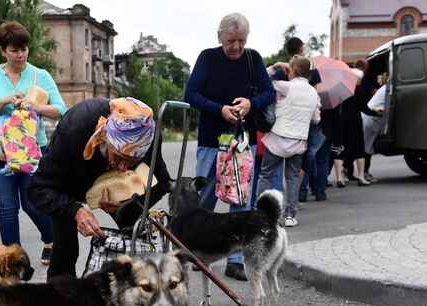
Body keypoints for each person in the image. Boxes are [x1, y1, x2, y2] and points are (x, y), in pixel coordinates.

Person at [27, 97, 171, 280]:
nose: (122, 167)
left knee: (137, 236)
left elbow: (161, 182)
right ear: (106, 137)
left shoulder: (147, 135)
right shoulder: (73, 129)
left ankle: (139, 288)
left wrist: (128, 204)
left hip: (121, 189)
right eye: (118, 156)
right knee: (66, 249)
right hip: (68, 181)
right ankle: (60, 298)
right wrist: (75, 211)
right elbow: (38, 188)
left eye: (131, 162)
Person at [184, 12, 276, 280]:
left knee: (241, 201)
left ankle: (236, 259)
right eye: (230, 41)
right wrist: (219, 109)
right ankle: (199, 252)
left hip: (242, 143)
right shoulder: (207, 57)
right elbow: (191, 94)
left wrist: (250, 103)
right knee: (204, 199)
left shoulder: (253, 58)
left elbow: (268, 92)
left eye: (241, 41)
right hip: (212, 142)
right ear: (219, 37)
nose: (236, 47)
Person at [0, 21, 66, 265]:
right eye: (14, 49)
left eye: (24, 48)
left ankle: (51, 239)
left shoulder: (40, 75)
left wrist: (35, 106)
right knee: (7, 207)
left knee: (32, 202)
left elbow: (61, 110)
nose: (20, 54)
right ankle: (12, 261)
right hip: (0, 151)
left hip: (33, 150)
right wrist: (5, 100)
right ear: (2, 50)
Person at [255, 58, 321, 227]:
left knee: (265, 175)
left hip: (278, 137)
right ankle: (290, 214)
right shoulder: (314, 93)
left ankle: (260, 213)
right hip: (298, 141)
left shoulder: (286, 86)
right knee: (292, 178)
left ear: (293, 71)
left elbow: (263, 81)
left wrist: (275, 67)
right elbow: (315, 119)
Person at [333, 68, 382, 187]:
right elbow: (363, 108)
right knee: (359, 149)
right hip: (355, 122)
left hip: (341, 122)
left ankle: (340, 178)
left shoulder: (339, 89)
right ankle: (361, 177)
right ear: (357, 79)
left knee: (340, 149)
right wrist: (377, 113)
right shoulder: (358, 90)